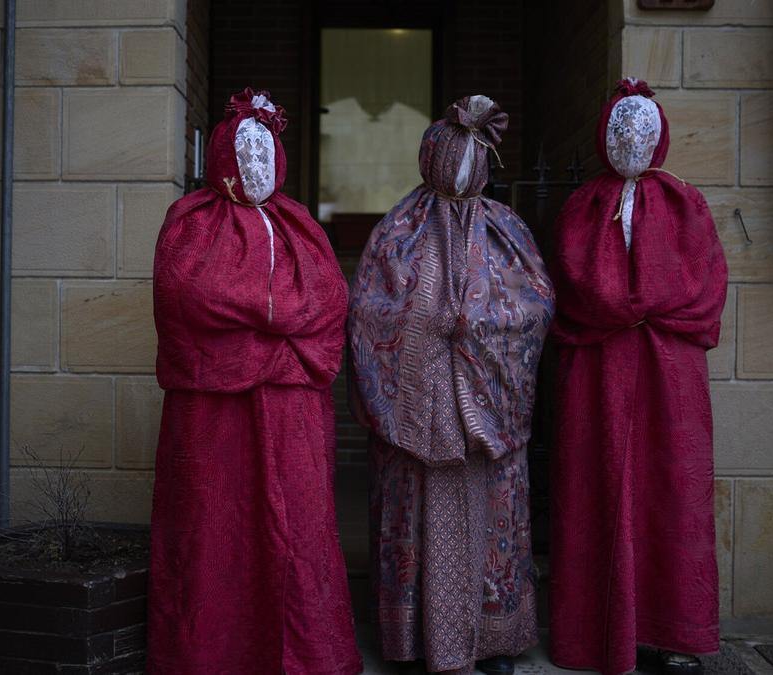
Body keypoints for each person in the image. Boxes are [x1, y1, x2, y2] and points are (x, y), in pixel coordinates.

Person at [147, 88, 363, 675]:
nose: (257, 167)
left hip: (293, 415)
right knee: (214, 534)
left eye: (266, 152)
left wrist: (259, 329)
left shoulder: (300, 227)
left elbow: (327, 303)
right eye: (246, 153)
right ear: (222, 157)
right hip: (214, 420)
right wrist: (277, 332)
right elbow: (190, 299)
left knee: (297, 534)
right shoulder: (190, 224)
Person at [348, 95, 555, 675]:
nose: (462, 168)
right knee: (412, 514)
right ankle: (413, 638)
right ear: (432, 156)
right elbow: (366, 310)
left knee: (492, 514)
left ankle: (493, 641)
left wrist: (480, 327)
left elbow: (535, 305)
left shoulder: (508, 228)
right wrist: (426, 327)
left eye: (473, 155)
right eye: (453, 154)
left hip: (483, 416)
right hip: (419, 409)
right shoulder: (398, 229)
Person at [547, 79, 728, 675]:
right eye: (621, 130)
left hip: (666, 372)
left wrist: (645, 305)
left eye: (642, 130)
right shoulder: (583, 206)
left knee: (669, 491)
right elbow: (572, 282)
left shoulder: (685, 204)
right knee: (594, 487)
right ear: (605, 135)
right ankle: (593, 631)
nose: (631, 141)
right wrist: (627, 307)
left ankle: (674, 629)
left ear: (660, 137)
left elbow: (704, 282)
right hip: (598, 367)